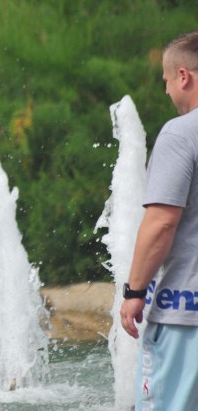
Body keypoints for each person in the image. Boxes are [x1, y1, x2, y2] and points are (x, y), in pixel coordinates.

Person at [120, 30, 198, 409]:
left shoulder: (181, 134)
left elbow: (161, 222)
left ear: (184, 76)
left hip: (185, 313)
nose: (167, 92)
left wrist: (134, 292)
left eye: (167, 81)